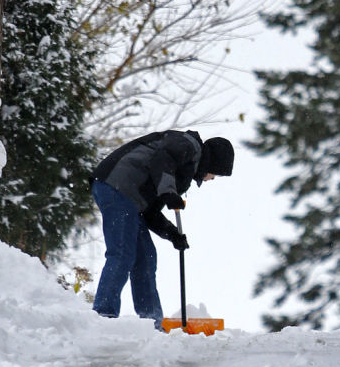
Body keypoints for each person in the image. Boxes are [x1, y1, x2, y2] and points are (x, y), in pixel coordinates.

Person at [90, 130, 235, 322]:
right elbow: (162, 159)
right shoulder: (189, 145)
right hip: (118, 186)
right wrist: (169, 192)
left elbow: (150, 212)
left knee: (146, 258)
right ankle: (103, 314)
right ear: (213, 163)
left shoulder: (183, 174)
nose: (213, 178)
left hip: (131, 199)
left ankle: (151, 322)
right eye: (216, 173)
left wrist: (172, 234)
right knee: (123, 252)